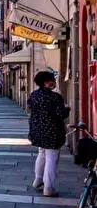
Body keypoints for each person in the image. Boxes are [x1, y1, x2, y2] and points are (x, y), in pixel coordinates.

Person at [27, 70, 70, 198]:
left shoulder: (33, 95)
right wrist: (67, 109)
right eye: (53, 80)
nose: (54, 82)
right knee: (52, 157)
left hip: (37, 131)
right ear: (46, 83)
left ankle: (38, 180)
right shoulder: (55, 97)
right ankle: (48, 187)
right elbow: (61, 114)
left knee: (42, 153)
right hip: (52, 132)